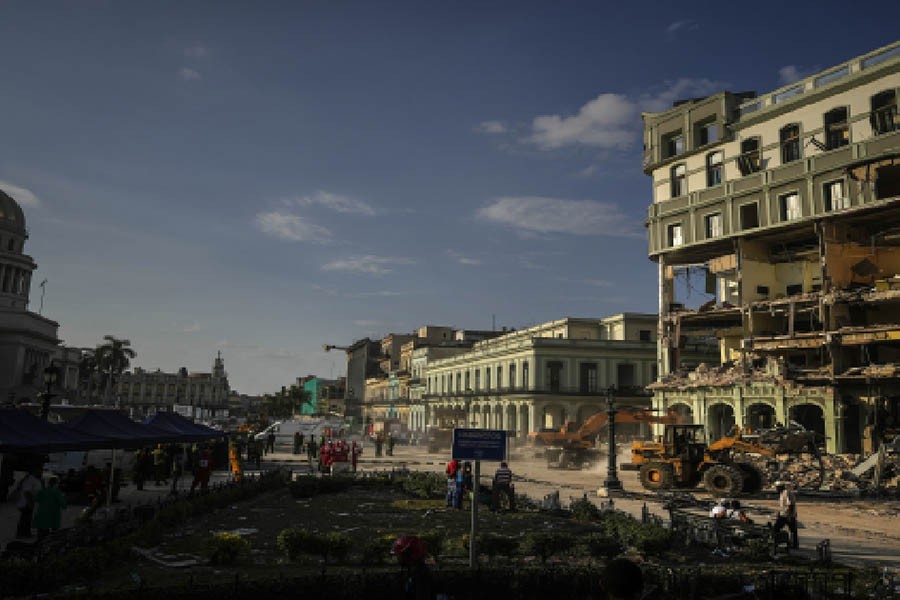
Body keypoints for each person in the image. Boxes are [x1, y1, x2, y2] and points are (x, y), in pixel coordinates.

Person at [14, 466, 43, 538]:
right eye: (39, 470)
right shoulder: (30, 479)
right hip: (26, 502)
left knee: (26, 518)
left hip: (28, 502)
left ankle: (25, 533)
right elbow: (27, 492)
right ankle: (22, 534)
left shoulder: (33, 479)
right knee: (25, 519)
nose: (41, 472)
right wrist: (30, 502)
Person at [773, 481, 799, 549]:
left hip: (786, 515)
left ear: (780, 487)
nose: (776, 489)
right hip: (784, 514)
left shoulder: (786, 493)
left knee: (777, 528)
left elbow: (790, 505)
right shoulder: (782, 493)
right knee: (792, 530)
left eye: (777, 488)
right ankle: (792, 544)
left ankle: (793, 544)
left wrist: (789, 516)